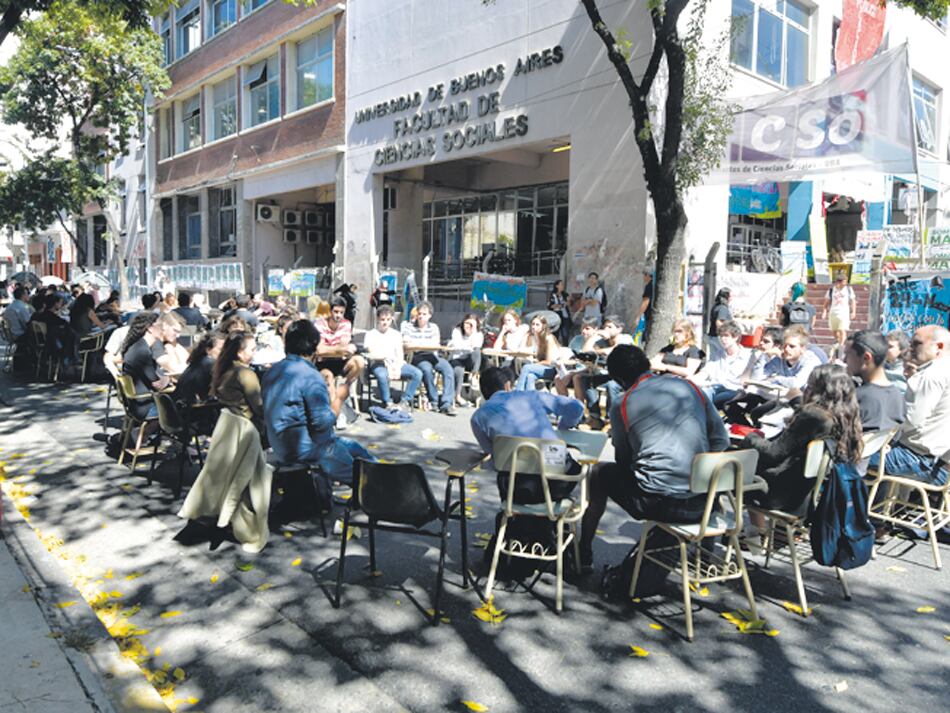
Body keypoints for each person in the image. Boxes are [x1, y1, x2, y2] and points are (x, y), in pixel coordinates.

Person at [580, 345, 730, 567]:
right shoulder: (690, 387)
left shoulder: (623, 403)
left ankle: (583, 552)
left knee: (599, 472)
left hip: (657, 502)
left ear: (619, 379)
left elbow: (623, 459)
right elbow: (721, 440)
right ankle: (704, 557)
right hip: (704, 503)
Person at [263, 320, 375, 491]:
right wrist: (339, 398)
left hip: (280, 445)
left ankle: (378, 475)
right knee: (365, 480)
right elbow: (323, 425)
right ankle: (376, 489)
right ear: (314, 347)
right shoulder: (310, 376)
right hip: (305, 450)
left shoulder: (272, 371)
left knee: (354, 448)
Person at [743, 364, 863, 513]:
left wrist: (750, 437)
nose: (806, 389)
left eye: (810, 385)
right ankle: (755, 527)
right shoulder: (845, 417)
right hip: (808, 491)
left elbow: (773, 453)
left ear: (819, 391)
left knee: (726, 467)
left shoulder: (813, 416)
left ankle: (732, 524)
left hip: (779, 493)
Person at [471, 366, 584, 503]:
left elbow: (494, 456)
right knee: (571, 465)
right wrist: (563, 427)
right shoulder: (531, 396)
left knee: (504, 470)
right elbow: (577, 407)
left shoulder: (477, 418)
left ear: (483, 391)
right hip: (558, 480)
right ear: (507, 385)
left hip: (515, 487)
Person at [869, 325, 950, 486]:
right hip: (938, 463)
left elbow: (911, 420)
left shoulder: (931, 375)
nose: (910, 348)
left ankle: (845, 503)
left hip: (919, 461)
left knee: (847, 456)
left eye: (917, 344)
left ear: (939, 347)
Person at [572, 315, 634, 429]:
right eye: (605, 327)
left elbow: (614, 350)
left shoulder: (626, 338)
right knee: (588, 382)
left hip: (623, 376)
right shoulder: (602, 341)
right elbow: (586, 352)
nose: (606, 330)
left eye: (610, 327)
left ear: (619, 329)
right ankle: (595, 417)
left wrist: (598, 351)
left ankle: (611, 420)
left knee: (612, 386)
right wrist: (594, 336)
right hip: (606, 375)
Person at [844, 330, 906, 434]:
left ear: (866, 358)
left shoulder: (858, 397)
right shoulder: (898, 397)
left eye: (848, 355)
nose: (844, 360)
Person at [400, 300, 455, 415]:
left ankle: (446, 403)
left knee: (448, 368)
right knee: (426, 369)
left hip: (431, 355)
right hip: (416, 356)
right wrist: (423, 344)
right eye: (419, 313)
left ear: (430, 315)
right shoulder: (409, 327)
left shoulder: (434, 327)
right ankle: (433, 400)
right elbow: (406, 343)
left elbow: (435, 344)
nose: (421, 316)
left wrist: (418, 343)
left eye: (424, 314)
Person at [363, 305, 422, 410]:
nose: (385, 322)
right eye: (382, 319)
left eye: (388, 319)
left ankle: (405, 400)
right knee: (382, 375)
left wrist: (397, 367)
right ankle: (387, 402)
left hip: (395, 362)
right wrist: (388, 365)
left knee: (417, 373)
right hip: (379, 363)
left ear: (392, 319)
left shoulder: (396, 334)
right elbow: (373, 353)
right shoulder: (371, 334)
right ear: (377, 319)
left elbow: (399, 353)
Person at [120, 312, 170, 421]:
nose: (163, 328)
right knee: (182, 407)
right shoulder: (142, 352)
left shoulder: (138, 346)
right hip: (145, 406)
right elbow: (157, 384)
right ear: (150, 329)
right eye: (160, 325)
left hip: (137, 403)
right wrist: (167, 379)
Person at [211, 331, 264, 433]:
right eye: (252, 350)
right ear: (239, 352)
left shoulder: (224, 369)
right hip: (248, 428)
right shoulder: (245, 374)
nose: (255, 353)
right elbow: (259, 408)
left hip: (230, 427)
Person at [693, 320, 751, 408]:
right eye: (721, 336)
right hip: (714, 387)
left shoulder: (747, 356)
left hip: (734, 390)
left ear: (735, 337)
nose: (723, 339)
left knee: (711, 399)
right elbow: (706, 371)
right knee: (700, 394)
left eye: (726, 336)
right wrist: (691, 380)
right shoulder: (717, 354)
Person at [313, 297, 366, 386]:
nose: (339, 315)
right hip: (323, 363)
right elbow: (319, 350)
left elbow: (343, 349)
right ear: (330, 311)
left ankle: (344, 388)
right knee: (328, 377)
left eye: (342, 312)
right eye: (336, 312)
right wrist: (340, 350)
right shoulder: (320, 324)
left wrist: (328, 349)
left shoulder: (346, 324)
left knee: (360, 361)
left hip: (340, 362)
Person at [173, 331, 225, 406]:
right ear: (208, 350)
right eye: (221, 349)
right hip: (194, 409)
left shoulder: (197, 362)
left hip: (181, 408)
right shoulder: (210, 364)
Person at [515, 315, 561, 391]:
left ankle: (517, 393)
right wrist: (526, 336)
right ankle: (530, 396)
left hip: (553, 369)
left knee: (526, 367)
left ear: (543, 326)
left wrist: (535, 364)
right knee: (530, 376)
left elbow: (549, 361)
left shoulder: (548, 338)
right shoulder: (534, 338)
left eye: (537, 325)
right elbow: (522, 350)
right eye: (533, 324)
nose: (534, 327)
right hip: (541, 367)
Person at [447, 313, 483, 406]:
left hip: (470, 359)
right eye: (467, 323)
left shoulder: (478, 334)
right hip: (457, 358)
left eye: (472, 324)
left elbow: (476, 345)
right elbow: (457, 345)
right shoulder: (457, 331)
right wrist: (468, 346)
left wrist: (473, 332)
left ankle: (474, 375)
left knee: (477, 352)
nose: (468, 326)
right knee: (459, 370)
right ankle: (457, 396)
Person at [821, 271, 856, 357]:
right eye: (844, 281)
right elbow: (826, 301)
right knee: (834, 330)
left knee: (842, 330)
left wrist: (853, 311)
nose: (845, 283)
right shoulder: (831, 290)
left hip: (844, 312)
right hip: (833, 312)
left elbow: (853, 301)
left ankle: (841, 347)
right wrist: (824, 311)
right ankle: (838, 341)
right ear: (838, 281)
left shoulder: (848, 289)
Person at [884, 329, 909, 393]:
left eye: (890, 347)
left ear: (902, 349)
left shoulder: (906, 371)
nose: (886, 348)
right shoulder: (882, 366)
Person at [548, 279, 571, 345]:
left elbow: (569, 303)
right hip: (556, 316)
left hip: (565, 316)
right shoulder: (553, 295)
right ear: (557, 286)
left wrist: (569, 301)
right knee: (555, 334)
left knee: (565, 335)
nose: (563, 286)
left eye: (563, 284)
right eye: (561, 284)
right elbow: (551, 306)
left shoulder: (565, 294)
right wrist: (561, 305)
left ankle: (565, 347)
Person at [634, 269, 654, 343]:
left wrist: (638, 316)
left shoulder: (649, 286)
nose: (643, 278)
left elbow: (646, 302)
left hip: (649, 316)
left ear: (648, 275)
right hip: (651, 316)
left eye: (644, 275)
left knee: (647, 337)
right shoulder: (654, 285)